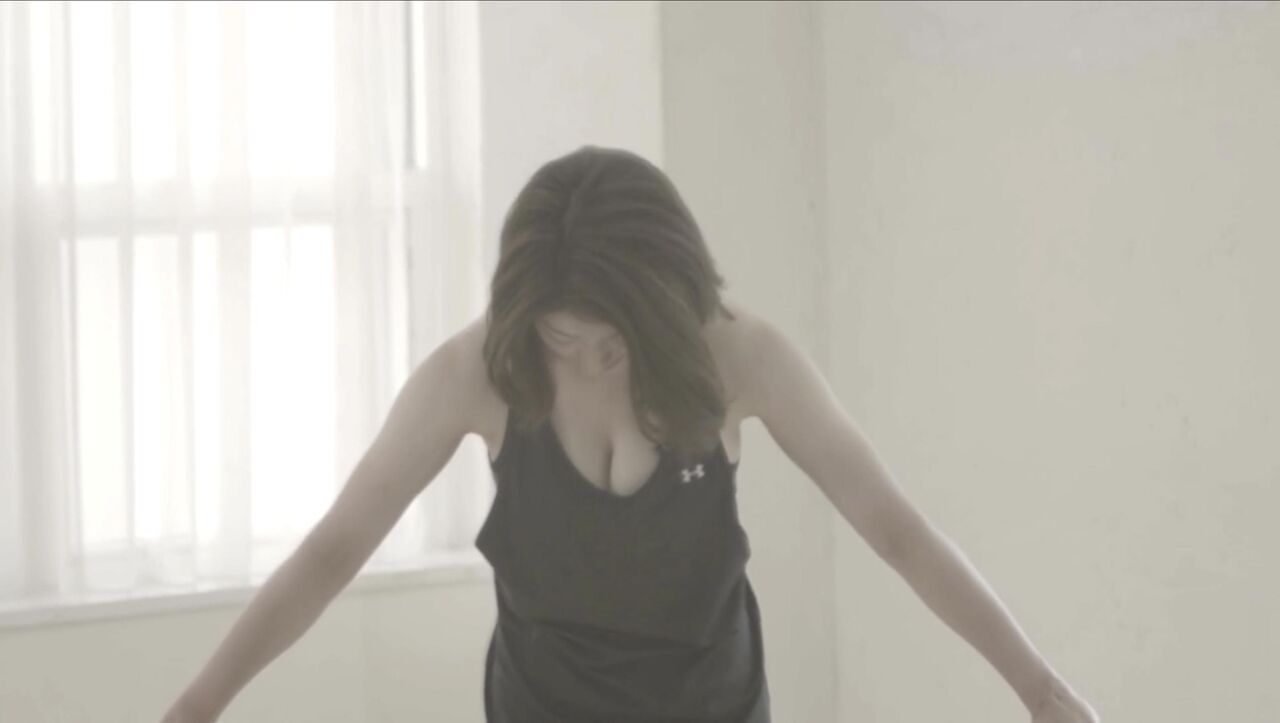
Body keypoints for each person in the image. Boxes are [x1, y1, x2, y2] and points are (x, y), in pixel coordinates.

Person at [162, 145, 1100, 722]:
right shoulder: (474, 373)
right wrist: (198, 705)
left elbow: (897, 530)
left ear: (666, 311)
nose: (587, 364)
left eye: (611, 344)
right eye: (562, 341)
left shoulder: (743, 359)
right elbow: (333, 550)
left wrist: (1041, 690)